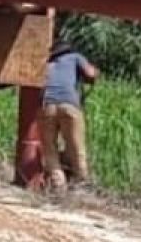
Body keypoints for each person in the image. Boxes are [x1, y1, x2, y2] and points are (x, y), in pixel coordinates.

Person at [41, 37, 99, 189]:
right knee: (76, 146)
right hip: (69, 105)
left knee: (50, 148)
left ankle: (58, 185)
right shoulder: (75, 57)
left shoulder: (48, 63)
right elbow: (91, 74)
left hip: (48, 105)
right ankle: (81, 184)